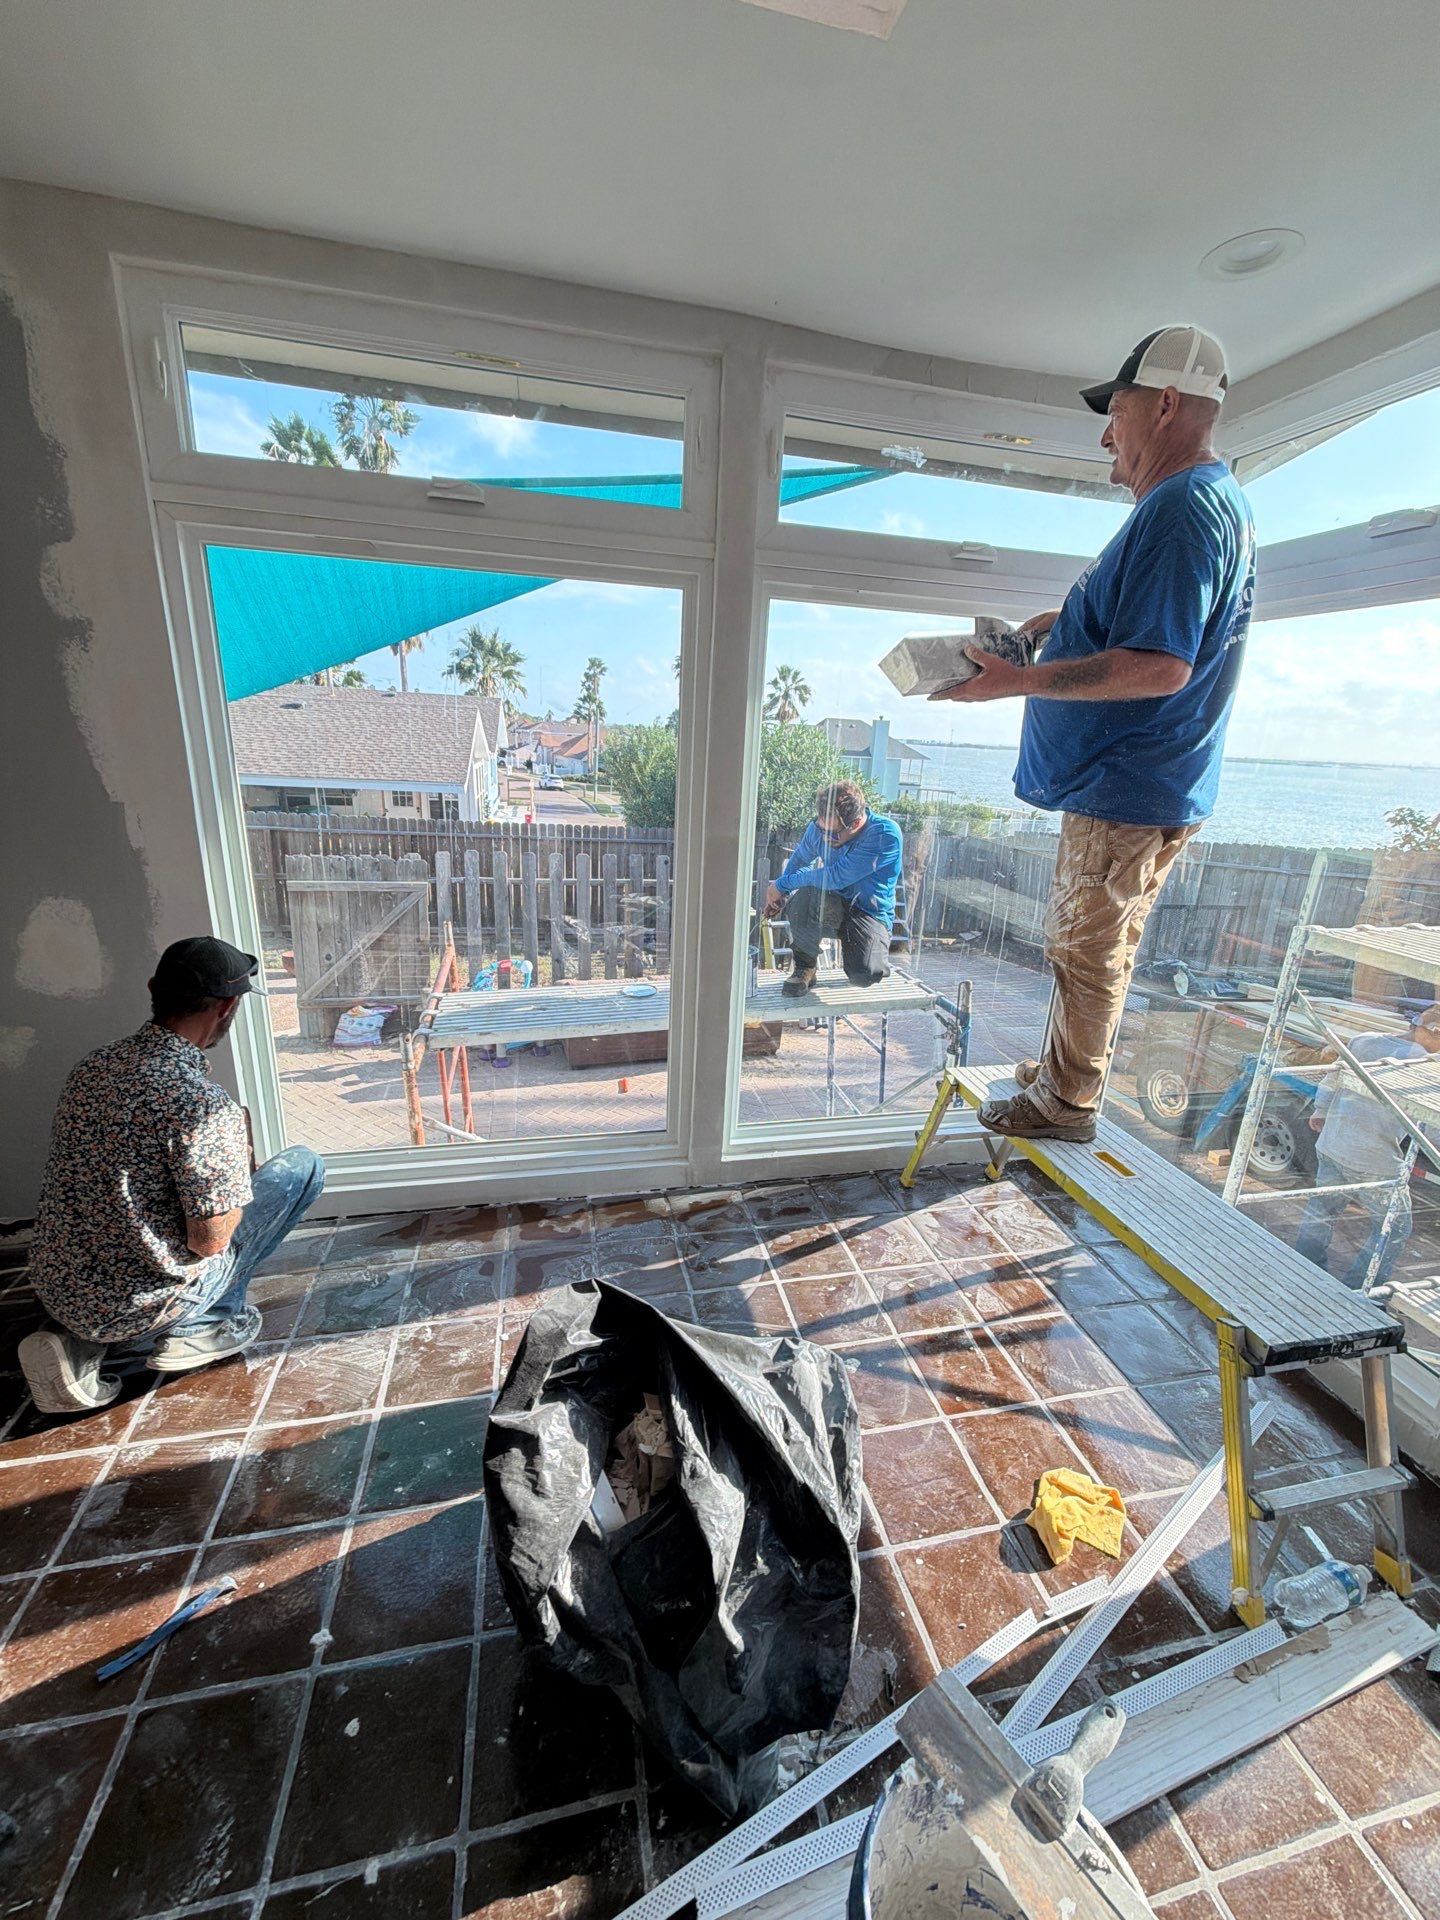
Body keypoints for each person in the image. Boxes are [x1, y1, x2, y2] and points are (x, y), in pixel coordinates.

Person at [932, 325, 1255, 1142]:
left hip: (1128, 779)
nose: (1108, 434)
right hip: (1140, 779)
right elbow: (1153, 632)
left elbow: (1160, 666)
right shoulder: (1202, 503)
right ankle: (1060, 1076)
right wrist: (1065, 620)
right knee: (1090, 943)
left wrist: (1017, 683)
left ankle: (1066, 1105)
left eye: (1118, 412)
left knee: (1084, 947)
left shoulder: (1184, 509)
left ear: (1168, 405)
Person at [18, 937, 324, 1416]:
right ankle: (200, 1324)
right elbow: (211, 1242)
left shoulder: (91, 1069)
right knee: (303, 1166)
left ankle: (79, 1342)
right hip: (147, 1299)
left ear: (153, 990)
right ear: (227, 1006)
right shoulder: (201, 1105)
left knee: (126, 1236)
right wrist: (236, 1170)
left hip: (63, 1287)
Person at [1294, 1007, 1440, 1290]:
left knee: (1321, 1210)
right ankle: (1361, 1290)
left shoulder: (1364, 1040)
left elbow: (1331, 1081)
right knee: (1394, 1227)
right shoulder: (1424, 1063)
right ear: (1432, 1032)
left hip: (1332, 1145)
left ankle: (1305, 1273)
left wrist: (1321, 1110)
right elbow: (1433, 1126)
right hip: (1374, 1161)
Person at [765, 780, 903, 997]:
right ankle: (805, 967)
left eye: (832, 833)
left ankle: (866, 949)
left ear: (856, 823)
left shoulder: (884, 834)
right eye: (821, 827)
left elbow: (836, 877)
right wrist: (781, 893)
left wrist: (781, 884)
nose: (824, 836)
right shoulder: (819, 827)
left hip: (869, 913)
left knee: (863, 974)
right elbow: (801, 858)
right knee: (806, 897)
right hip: (835, 906)